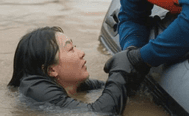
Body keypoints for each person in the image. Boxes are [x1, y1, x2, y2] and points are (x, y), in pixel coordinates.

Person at [8, 26, 143, 115]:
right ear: (51, 70)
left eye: (75, 47)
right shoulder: (39, 92)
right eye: (71, 49)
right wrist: (121, 69)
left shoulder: (68, 82)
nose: (81, 53)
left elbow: (105, 88)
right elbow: (101, 113)